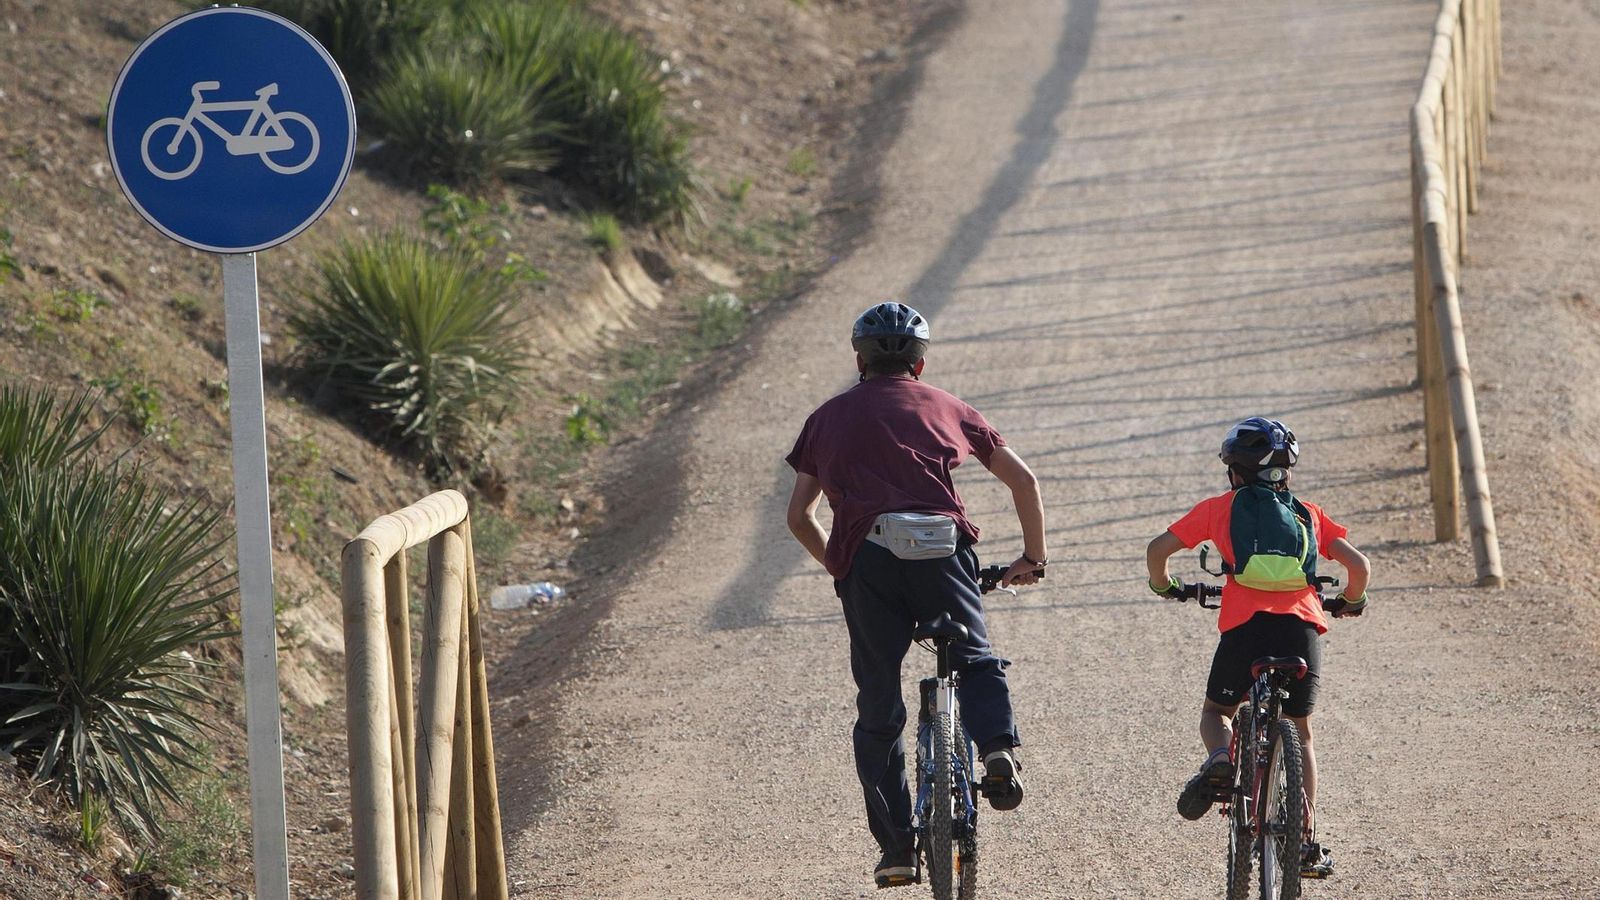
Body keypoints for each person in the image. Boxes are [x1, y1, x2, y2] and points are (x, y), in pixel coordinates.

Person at [784, 301, 1049, 888]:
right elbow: (1024, 481)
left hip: (869, 560)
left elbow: (800, 515)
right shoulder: (948, 406)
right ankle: (997, 750)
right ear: (920, 364)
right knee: (975, 658)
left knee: (878, 705)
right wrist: (1033, 557)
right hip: (942, 552)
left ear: (859, 358)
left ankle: (898, 850)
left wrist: (841, 563)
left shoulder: (825, 419)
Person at [1145, 416, 1370, 878]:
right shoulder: (1309, 513)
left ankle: (1222, 758)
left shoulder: (1218, 508)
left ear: (1235, 472)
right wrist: (1351, 600)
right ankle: (1305, 840)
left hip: (1245, 628)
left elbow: (1157, 550)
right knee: (1300, 731)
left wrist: (1166, 587)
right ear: (1285, 473)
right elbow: (1359, 566)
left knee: (1217, 713)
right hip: (1301, 629)